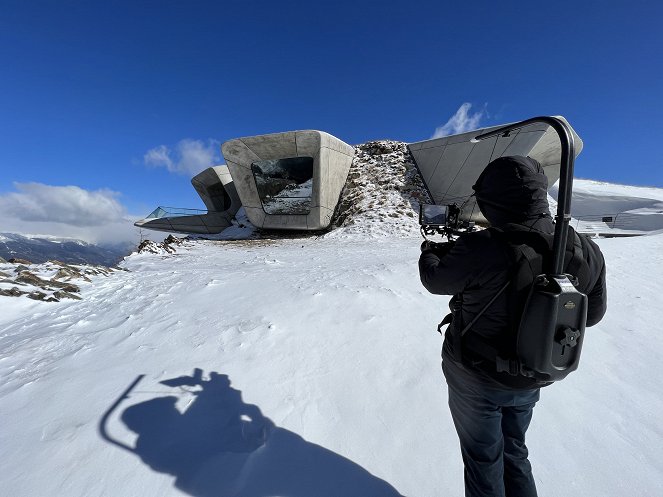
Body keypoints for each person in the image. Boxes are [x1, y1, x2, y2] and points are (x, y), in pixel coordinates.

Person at [418, 155, 607, 497]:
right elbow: (590, 316)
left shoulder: (482, 246)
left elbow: (435, 280)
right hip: (536, 373)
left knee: (483, 459)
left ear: (493, 199)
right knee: (514, 451)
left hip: (475, 375)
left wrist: (429, 251)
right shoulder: (585, 248)